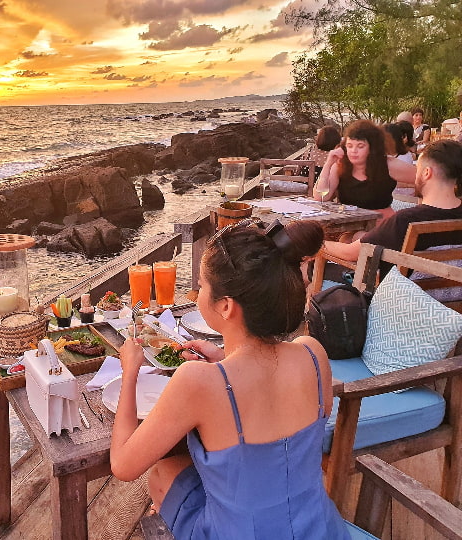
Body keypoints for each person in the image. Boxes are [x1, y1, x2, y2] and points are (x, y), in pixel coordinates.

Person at [110, 219, 351, 539]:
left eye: (202, 285)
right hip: (319, 529)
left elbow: (123, 466)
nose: (197, 293)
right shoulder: (312, 353)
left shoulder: (196, 381)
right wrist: (225, 358)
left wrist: (130, 373)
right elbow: (286, 418)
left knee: (163, 472)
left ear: (225, 306)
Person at [322, 139, 462, 273]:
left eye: (417, 168)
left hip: (402, 295)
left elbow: (350, 253)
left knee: (312, 270)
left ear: (426, 173)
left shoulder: (405, 221)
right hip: (453, 295)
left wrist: (319, 243)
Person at [313, 120, 415, 220]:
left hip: (381, 223)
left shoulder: (388, 165)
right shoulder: (340, 165)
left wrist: (423, 204)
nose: (354, 151)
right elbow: (321, 196)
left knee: (355, 237)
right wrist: (328, 164)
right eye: (349, 146)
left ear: (372, 148)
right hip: (350, 224)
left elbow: (426, 178)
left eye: (360, 146)